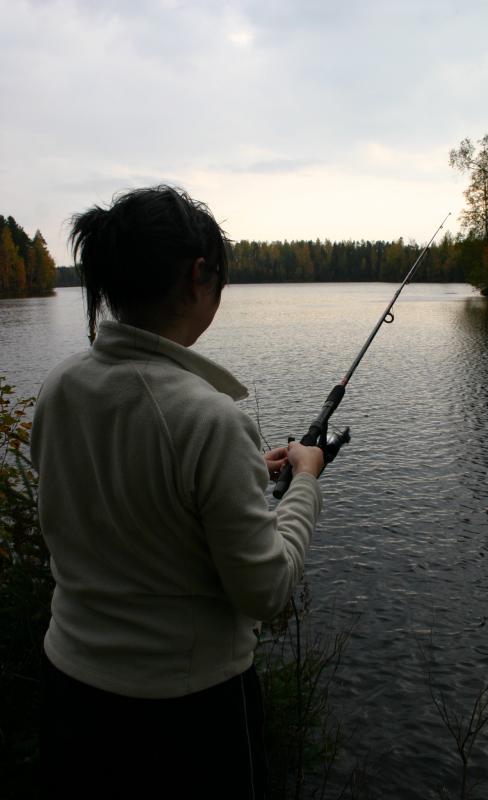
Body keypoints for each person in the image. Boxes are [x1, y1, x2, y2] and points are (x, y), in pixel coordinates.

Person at [30, 185, 324, 799]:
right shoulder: (210, 419)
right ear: (198, 276)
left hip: (70, 694)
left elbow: (98, 509)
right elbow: (266, 590)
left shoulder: (58, 389)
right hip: (184, 716)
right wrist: (304, 483)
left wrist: (240, 471)